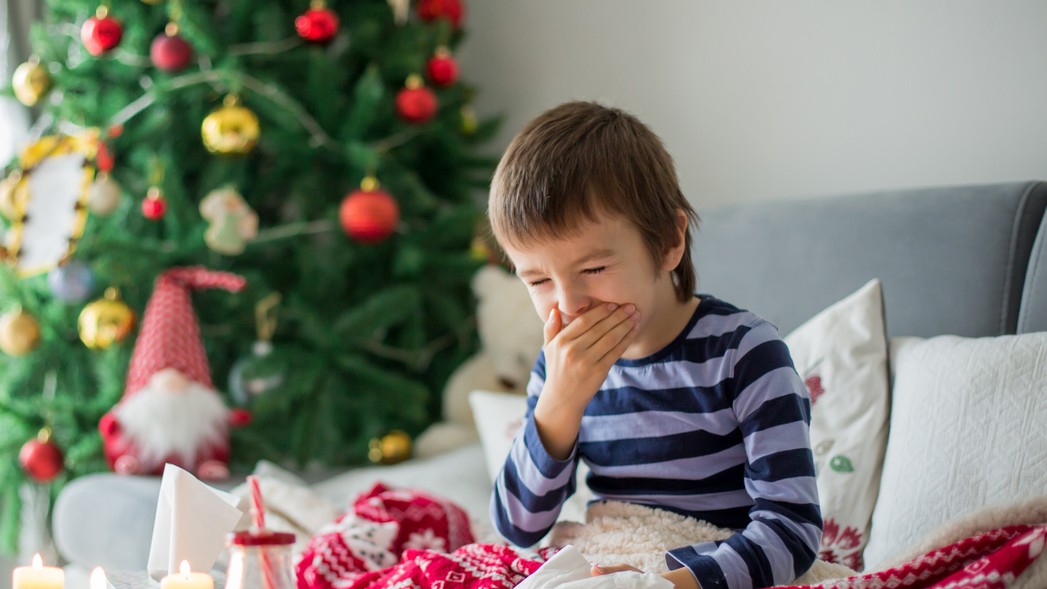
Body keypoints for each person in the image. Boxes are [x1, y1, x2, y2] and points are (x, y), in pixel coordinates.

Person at [486, 101, 822, 589]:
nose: (570, 303)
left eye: (594, 269)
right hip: (607, 558)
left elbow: (792, 532)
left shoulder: (746, 354)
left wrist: (662, 584)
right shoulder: (558, 367)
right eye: (538, 280)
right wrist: (559, 402)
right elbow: (518, 527)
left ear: (668, 241)